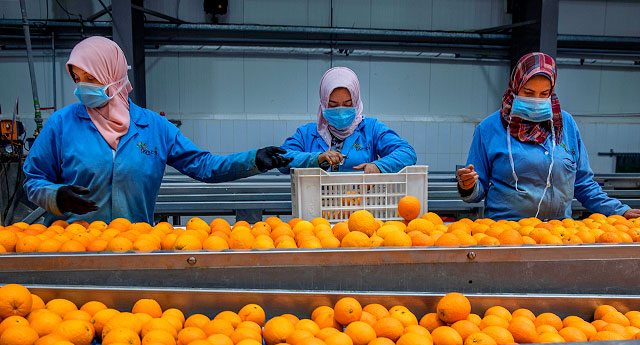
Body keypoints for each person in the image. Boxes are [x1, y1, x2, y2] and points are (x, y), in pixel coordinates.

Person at [23, 36, 291, 225]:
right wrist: (55, 196)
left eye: (92, 79)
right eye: (78, 79)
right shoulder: (61, 125)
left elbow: (204, 165)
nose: (83, 88)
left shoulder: (153, 128)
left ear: (113, 75)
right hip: (73, 249)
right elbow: (33, 180)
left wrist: (253, 160)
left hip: (133, 247)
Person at [457, 52, 640, 221]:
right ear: (515, 88)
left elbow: (583, 184)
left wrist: (618, 210)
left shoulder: (565, 125)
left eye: (544, 94)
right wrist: (468, 186)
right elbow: (477, 191)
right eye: (528, 93)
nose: (536, 100)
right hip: (506, 235)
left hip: (558, 235)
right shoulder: (489, 129)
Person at [280, 66, 416, 174]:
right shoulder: (307, 134)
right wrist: (317, 159)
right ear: (323, 103)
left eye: (347, 104)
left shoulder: (371, 129)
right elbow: (281, 159)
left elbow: (407, 153)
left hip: (360, 206)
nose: (340, 110)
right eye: (332, 105)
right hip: (315, 205)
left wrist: (378, 166)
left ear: (356, 102)